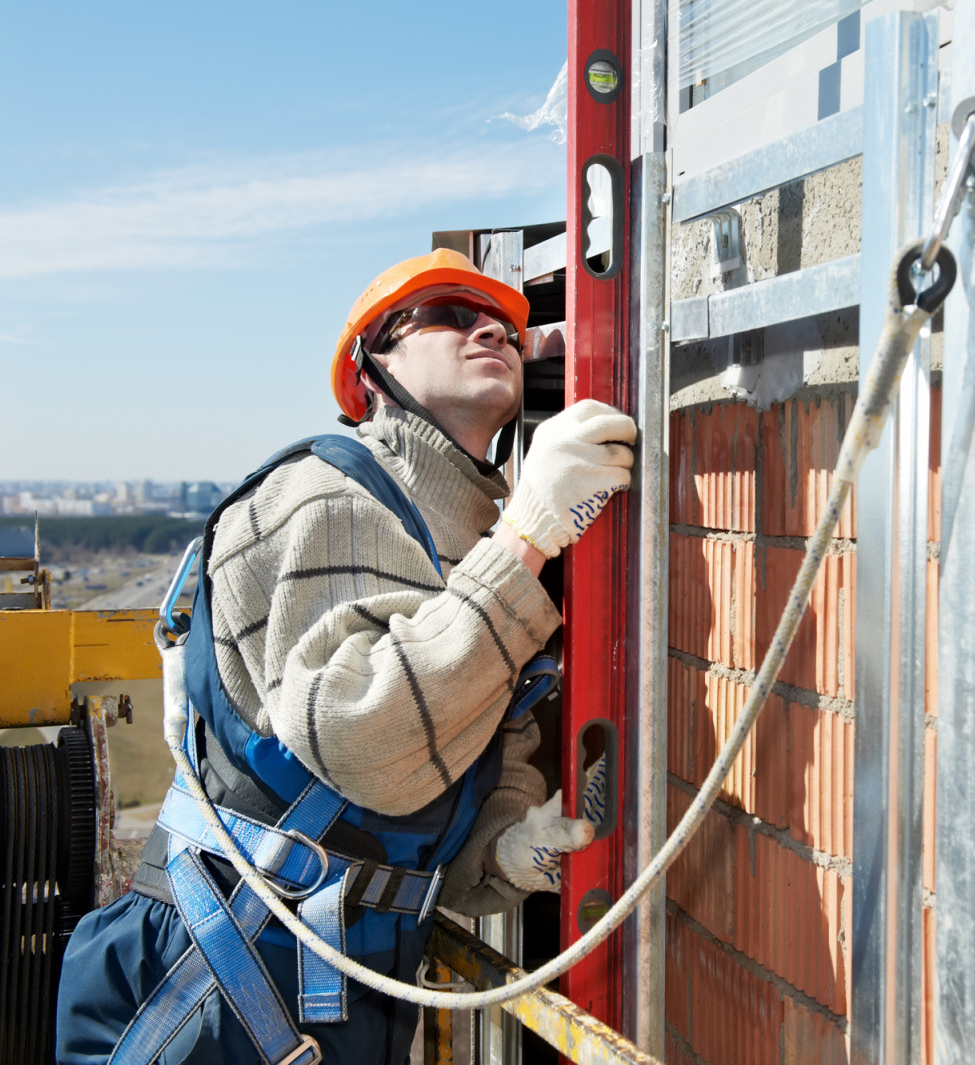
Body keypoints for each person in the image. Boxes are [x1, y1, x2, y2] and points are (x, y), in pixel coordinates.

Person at [55, 249, 637, 1065]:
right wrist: (527, 535)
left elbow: (421, 808)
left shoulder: (461, 546)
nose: (488, 329)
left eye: (503, 324)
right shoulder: (332, 497)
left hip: (325, 986)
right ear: (374, 371)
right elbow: (364, 736)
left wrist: (509, 846)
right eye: (446, 313)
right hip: (214, 983)